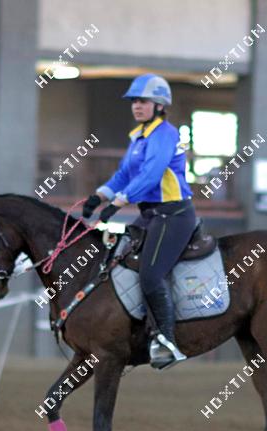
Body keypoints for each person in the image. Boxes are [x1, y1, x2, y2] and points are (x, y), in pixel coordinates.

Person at [81, 73, 196, 370]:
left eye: (143, 101)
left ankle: (166, 340)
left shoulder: (165, 134)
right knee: (119, 261)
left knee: (151, 275)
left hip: (173, 215)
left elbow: (151, 175)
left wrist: (119, 202)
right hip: (150, 215)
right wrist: (99, 196)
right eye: (134, 101)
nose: (136, 106)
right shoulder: (139, 137)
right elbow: (124, 174)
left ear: (159, 105)